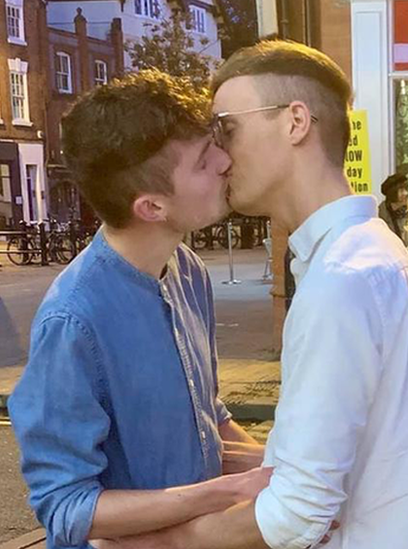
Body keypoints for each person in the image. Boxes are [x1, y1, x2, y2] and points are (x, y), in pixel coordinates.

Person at [113, 40, 408, 549]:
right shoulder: (370, 256)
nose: (218, 155)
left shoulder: (342, 278)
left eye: (227, 128)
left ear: (296, 122)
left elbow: (298, 513)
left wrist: (161, 543)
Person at [6, 70, 270, 549]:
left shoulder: (187, 270)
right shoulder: (72, 321)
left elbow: (206, 417)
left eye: (215, 143)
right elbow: (67, 509)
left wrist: (284, 471)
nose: (226, 161)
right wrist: (225, 493)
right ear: (151, 207)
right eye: (202, 162)